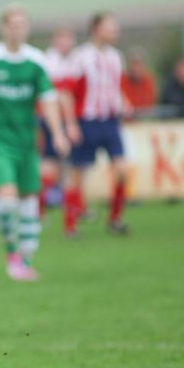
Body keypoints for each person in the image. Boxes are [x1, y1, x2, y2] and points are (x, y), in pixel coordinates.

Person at [0, 5, 68, 281]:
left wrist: (58, 133)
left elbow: (49, 100)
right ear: (4, 28)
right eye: (13, 24)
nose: (18, 29)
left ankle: (26, 259)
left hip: (26, 140)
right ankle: (11, 254)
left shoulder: (36, 60)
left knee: (29, 202)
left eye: (23, 24)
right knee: (7, 199)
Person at [63, 12, 131, 238]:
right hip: (86, 121)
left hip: (110, 121)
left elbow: (115, 87)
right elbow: (68, 93)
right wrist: (71, 124)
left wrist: (124, 101)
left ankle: (115, 219)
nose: (115, 30)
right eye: (110, 26)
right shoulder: (81, 56)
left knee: (122, 169)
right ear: (96, 29)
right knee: (77, 174)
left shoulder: (116, 57)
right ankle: (70, 225)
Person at [38, 26, 81, 219]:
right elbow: (61, 96)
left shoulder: (71, 61)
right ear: (53, 41)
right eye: (61, 39)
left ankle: (74, 209)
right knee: (54, 167)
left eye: (69, 38)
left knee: (70, 168)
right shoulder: (50, 62)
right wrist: (70, 124)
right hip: (53, 120)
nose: (66, 43)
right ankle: (39, 210)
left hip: (66, 119)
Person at [121, 48, 157, 113]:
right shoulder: (122, 80)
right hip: (127, 120)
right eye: (134, 64)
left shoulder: (148, 81)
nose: (136, 67)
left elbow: (149, 104)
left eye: (139, 64)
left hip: (143, 119)